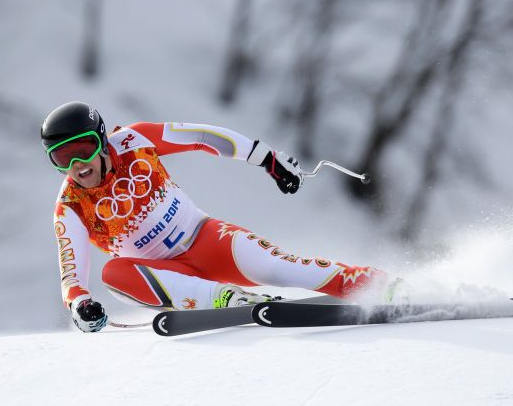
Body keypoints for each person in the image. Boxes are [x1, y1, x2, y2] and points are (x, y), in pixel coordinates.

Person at [42, 101, 392, 332]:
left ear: (101, 140)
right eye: (61, 158)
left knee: (283, 268)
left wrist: (266, 159)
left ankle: (376, 285)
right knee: (113, 273)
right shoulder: (70, 205)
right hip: (165, 275)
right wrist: (80, 306)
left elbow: (201, 136)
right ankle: (225, 298)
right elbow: (71, 273)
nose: (77, 166)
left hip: (207, 239)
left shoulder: (133, 140)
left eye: (83, 150)